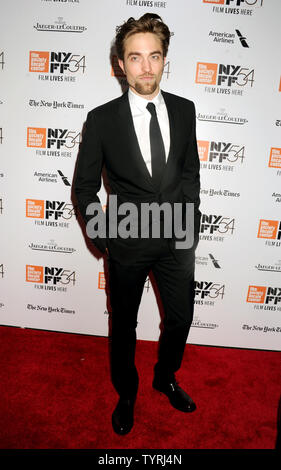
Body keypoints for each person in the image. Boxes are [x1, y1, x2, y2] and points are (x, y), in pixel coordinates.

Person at [74, 13, 201, 435]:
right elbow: (85, 187)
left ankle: (165, 376)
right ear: (120, 64)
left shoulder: (185, 110)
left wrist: (191, 223)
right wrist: (103, 238)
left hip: (176, 239)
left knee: (180, 319)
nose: (146, 67)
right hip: (126, 239)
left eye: (154, 57)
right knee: (124, 323)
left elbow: (190, 172)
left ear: (165, 60)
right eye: (135, 58)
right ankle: (126, 392)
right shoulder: (102, 119)